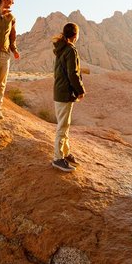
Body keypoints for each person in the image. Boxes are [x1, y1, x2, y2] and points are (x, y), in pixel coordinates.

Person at [52, 22, 86, 172]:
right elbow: (73, 73)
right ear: (75, 35)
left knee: (65, 125)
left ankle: (65, 153)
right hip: (65, 92)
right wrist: (80, 90)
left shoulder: (62, 49)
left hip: (61, 91)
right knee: (62, 127)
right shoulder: (70, 50)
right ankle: (58, 158)